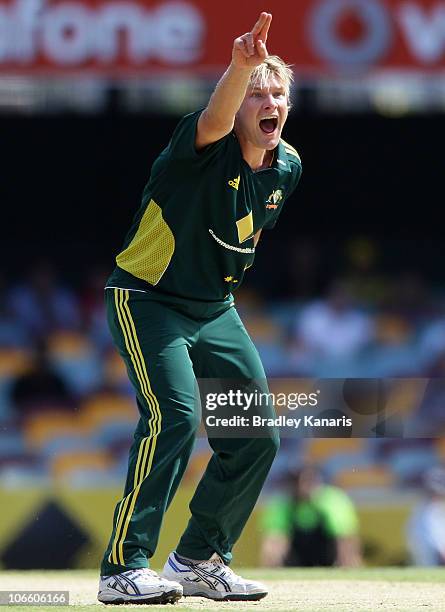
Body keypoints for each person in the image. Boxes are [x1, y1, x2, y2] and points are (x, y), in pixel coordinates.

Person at [98, 11, 302, 605]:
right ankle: (123, 567)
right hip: (147, 298)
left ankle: (198, 559)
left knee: (256, 434)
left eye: (279, 93)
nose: (270, 102)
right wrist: (240, 67)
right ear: (238, 103)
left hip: (215, 308)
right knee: (177, 417)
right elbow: (216, 117)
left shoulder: (285, 166)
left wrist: (222, 294)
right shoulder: (201, 146)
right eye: (257, 93)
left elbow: (250, 235)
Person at [260, 466, 362, 567]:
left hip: (328, 561)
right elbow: (273, 541)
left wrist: (350, 568)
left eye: (310, 481)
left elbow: (345, 540)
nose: (306, 486)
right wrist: (272, 568)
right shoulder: (283, 503)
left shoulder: (333, 501)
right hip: (294, 562)